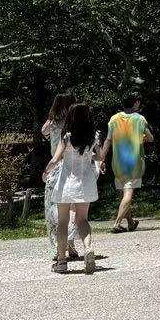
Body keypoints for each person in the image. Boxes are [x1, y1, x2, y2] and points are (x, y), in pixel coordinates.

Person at [43, 102, 102, 275]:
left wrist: (46, 171)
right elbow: (100, 156)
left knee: (63, 222)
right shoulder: (94, 135)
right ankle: (88, 248)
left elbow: (55, 159)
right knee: (82, 220)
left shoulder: (67, 136)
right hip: (86, 182)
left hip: (66, 182)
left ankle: (62, 262)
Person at [98, 94, 153, 233]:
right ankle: (117, 223)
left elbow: (108, 140)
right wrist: (142, 138)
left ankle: (130, 222)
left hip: (118, 162)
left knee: (123, 193)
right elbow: (150, 137)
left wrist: (101, 159)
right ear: (135, 104)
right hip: (134, 162)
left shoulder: (114, 119)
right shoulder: (140, 119)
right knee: (129, 192)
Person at [39, 93, 81, 262]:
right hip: (73, 168)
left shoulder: (52, 123)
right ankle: (70, 243)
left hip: (55, 168)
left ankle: (60, 247)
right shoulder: (75, 124)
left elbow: (43, 131)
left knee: (55, 208)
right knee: (72, 208)